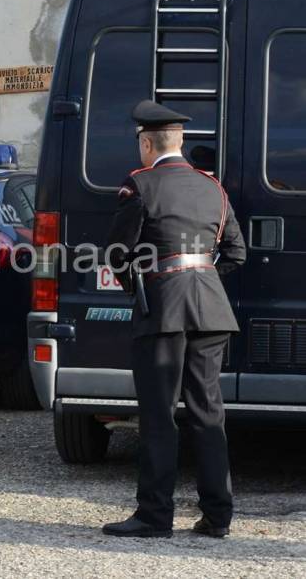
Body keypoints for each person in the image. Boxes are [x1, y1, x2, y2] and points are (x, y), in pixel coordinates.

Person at [103, 100, 246, 539]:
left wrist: (146, 287)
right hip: (211, 309)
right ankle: (218, 516)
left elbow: (117, 253)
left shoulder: (140, 185)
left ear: (146, 143)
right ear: (180, 142)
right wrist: (200, 277)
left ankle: (154, 515)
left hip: (163, 311)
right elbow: (237, 253)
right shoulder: (212, 188)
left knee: (159, 414)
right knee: (208, 413)